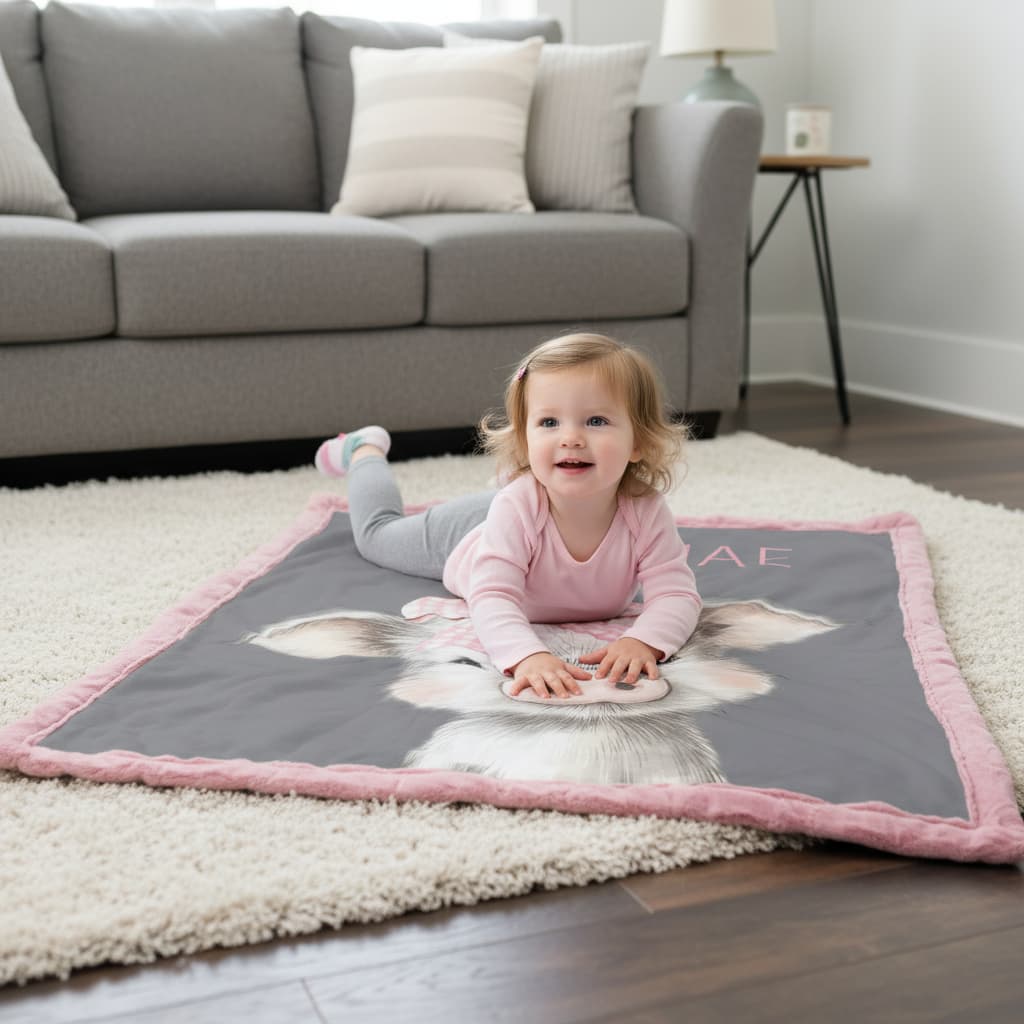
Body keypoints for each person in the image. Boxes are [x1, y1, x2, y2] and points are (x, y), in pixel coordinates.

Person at [315, 333, 702, 700]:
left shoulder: (646, 509)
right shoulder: (515, 507)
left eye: (596, 421)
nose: (570, 438)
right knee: (378, 535)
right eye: (549, 422)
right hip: (467, 534)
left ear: (638, 441)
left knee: (518, 504)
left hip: (528, 508)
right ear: (524, 438)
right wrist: (526, 655)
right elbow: (492, 595)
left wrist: (644, 641)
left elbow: (677, 593)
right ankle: (364, 449)